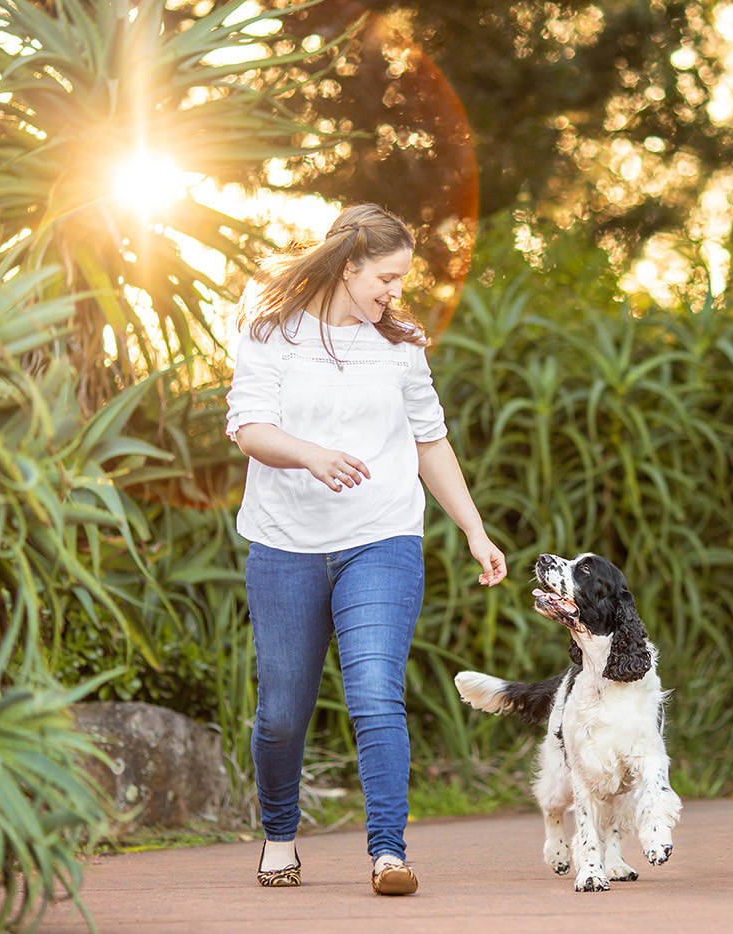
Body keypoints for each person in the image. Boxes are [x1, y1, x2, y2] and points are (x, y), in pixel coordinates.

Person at [224, 203, 508, 896]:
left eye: (400, 279)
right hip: (285, 544)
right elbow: (249, 427)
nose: (394, 292)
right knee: (283, 711)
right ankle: (280, 835)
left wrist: (474, 529)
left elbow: (428, 440)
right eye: (385, 277)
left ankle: (388, 853)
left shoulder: (400, 346)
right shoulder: (271, 332)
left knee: (376, 692)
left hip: (381, 538)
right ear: (347, 266)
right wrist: (310, 456)